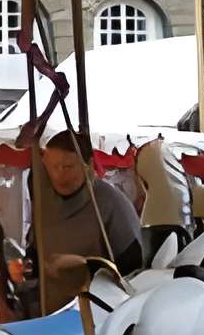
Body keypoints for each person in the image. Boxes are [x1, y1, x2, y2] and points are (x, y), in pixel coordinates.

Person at [26, 131, 141, 316]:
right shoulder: (45, 204)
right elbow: (35, 251)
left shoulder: (110, 204)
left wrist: (86, 268)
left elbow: (133, 268)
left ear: (88, 165)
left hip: (98, 314)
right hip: (50, 312)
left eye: (68, 167)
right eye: (53, 167)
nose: (59, 175)